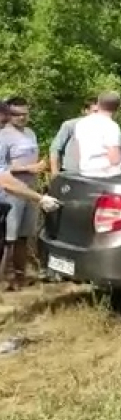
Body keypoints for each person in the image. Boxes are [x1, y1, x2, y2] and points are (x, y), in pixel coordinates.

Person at [0, 97, 49, 286]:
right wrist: (28, 168)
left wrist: (39, 167)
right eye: (16, 114)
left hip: (30, 189)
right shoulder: (3, 135)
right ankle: (6, 280)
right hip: (11, 191)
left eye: (24, 114)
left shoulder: (30, 133)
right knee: (8, 238)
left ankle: (20, 276)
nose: (21, 118)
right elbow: (3, 169)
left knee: (23, 235)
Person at [75, 91, 121, 176]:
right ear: (117, 108)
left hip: (85, 173)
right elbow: (114, 159)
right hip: (106, 175)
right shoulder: (111, 126)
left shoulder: (81, 123)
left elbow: (78, 151)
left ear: (98, 104)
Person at [49, 98, 99, 177]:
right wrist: (54, 173)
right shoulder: (70, 125)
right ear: (86, 111)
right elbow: (55, 148)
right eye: (95, 111)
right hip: (70, 174)